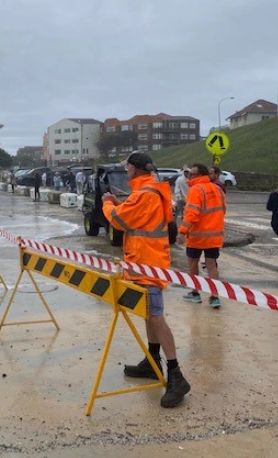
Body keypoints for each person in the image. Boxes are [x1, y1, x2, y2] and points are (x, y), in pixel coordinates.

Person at [102, 151, 191, 408]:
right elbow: (134, 217)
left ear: (134, 169)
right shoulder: (151, 191)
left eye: (127, 167)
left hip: (147, 265)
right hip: (147, 262)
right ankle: (152, 361)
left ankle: (176, 375)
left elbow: (119, 221)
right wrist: (120, 205)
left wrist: (108, 203)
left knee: (156, 317)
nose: (126, 171)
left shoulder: (145, 194)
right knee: (148, 313)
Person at [176, 163, 227, 308]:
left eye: (192, 174)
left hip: (197, 236)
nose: (189, 176)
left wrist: (182, 232)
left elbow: (191, 214)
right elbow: (223, 209)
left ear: (199, 175)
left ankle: (195, 293)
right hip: (214, 236)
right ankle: (214, 296)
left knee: (193, 263)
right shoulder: (217, 189)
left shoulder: (195, 190)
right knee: (212, 265)